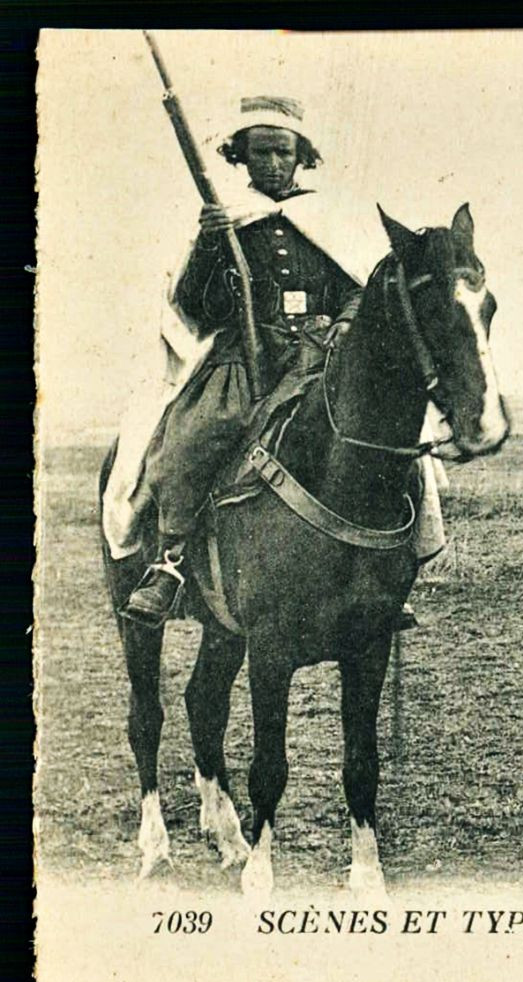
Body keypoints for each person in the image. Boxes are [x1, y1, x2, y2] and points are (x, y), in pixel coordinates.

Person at [118, 96, 425, 628]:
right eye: (263, 153)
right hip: (245, 360)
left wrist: (346, 325)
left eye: (284, 152)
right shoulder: (229, 222)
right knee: (195, 434)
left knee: (391, 440)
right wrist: (213, 247)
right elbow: (197, 307)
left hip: (320, 354)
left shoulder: (325, 219)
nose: (275, 164)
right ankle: (170, 563)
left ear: (300, 154)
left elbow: (357, 288)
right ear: (243, 157)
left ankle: (388, 573)